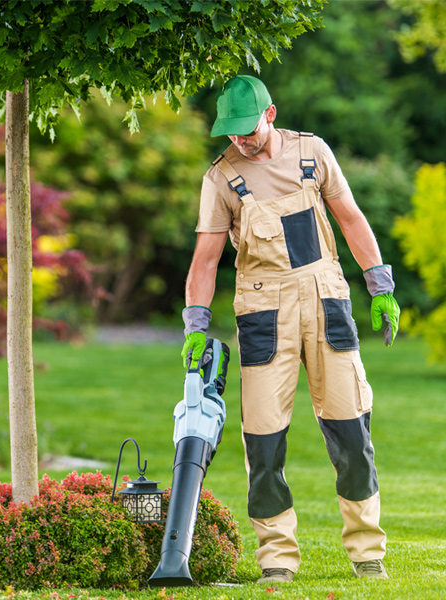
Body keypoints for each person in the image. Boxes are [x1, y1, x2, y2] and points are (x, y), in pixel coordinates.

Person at [181, 75, 400, 584]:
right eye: (230, 133)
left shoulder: (313, 153)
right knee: (263, 440)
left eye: (247, 129)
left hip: (325, 299)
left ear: (270, 114)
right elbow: (206, 260)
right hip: (262, 310)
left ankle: (367, 550)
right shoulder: (220, 179)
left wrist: (380, 284)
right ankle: (277, 558)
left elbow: (350, 218)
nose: (240, 140)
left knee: (351, 429)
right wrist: (196, 322)